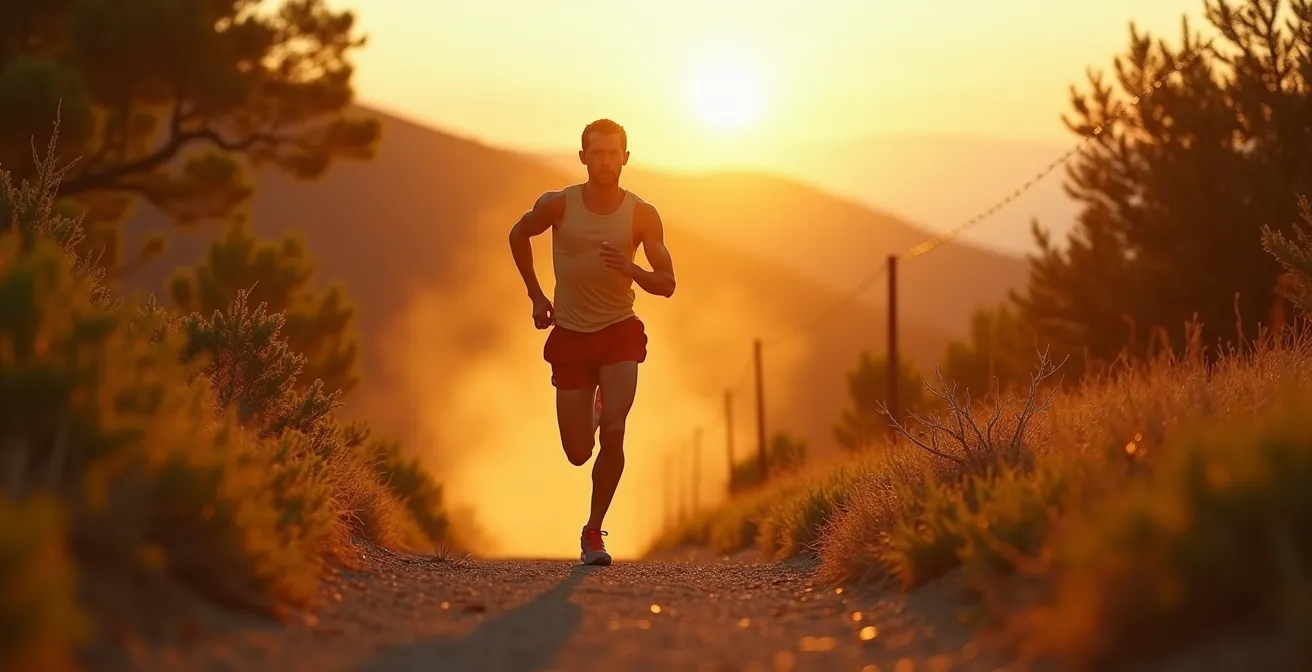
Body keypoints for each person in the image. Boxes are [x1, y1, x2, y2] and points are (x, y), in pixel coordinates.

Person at [507, 118, 677, 566]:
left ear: (626, 157)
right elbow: (517, 234)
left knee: (616, 431)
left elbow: (667, 283)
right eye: (596, 153)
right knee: (579, 452)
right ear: (583, 157)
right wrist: (536, 295)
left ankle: (592, 531)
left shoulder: (642, 214)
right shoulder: (558, 206)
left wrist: (631, 269)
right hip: (570, 335)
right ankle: (597, 408)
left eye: (612, 153)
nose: (605, 161)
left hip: (620, 331)